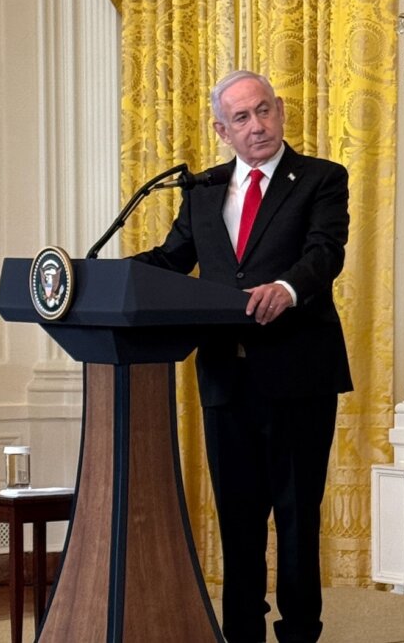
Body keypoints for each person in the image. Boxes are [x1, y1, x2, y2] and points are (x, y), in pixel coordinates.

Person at [131, 70, 352, 643]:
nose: (258, 126)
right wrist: (102, 277)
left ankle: (301, 630)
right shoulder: (203, 192)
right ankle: (241, 633)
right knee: (238, 516)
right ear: (221, 130)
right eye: (242, 118)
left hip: (299, 371)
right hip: (226, 374)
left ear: (279, 110)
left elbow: (325, 252)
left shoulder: (322, 179)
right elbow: (173, 258)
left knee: (298, 514)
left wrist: (288, 289)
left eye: (265, 111)